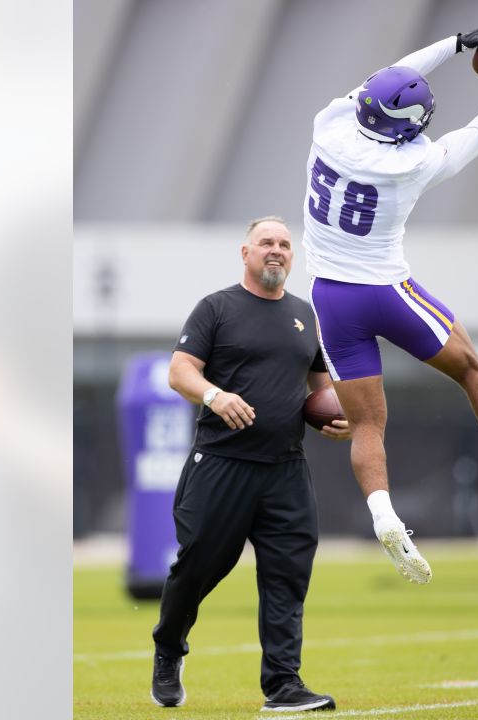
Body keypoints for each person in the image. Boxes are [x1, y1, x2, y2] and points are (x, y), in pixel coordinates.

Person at [301, 26, 478, 585]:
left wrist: (455, 42)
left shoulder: (329, 122)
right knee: (471, 368)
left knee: (368, 424)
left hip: (330, 295)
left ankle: (383, 514)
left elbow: (391, 74)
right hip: (386, 290)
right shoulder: (412, 163)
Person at [150, 216, 349, 712]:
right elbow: (180, 372)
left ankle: (283, 686)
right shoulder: (215, 309)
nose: (276, 250)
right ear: (246, 253)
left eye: (285, 244)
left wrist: (334, 414)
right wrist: (215, 396)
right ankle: (168, 648)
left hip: (285, 468)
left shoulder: (306, 315)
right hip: (222, 462)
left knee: (287, 575)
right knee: (199, 565)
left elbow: (320, 386)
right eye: (266, 243)